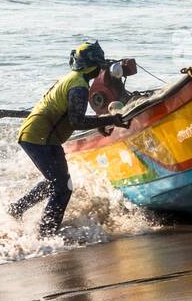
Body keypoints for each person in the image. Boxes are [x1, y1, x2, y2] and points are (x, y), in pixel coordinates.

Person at [10, 41, 127, 234]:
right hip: (38, 136)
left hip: (42, 136)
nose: (100, 69)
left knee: (58, 182)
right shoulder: (79, 86)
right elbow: (76, 122)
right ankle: (46, 233)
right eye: (99, 65)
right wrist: (110, 119)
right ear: (93, 66)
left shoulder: (74, 79)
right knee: (62, 187)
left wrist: (100, 125)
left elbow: (74, 118)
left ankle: (17, 209)